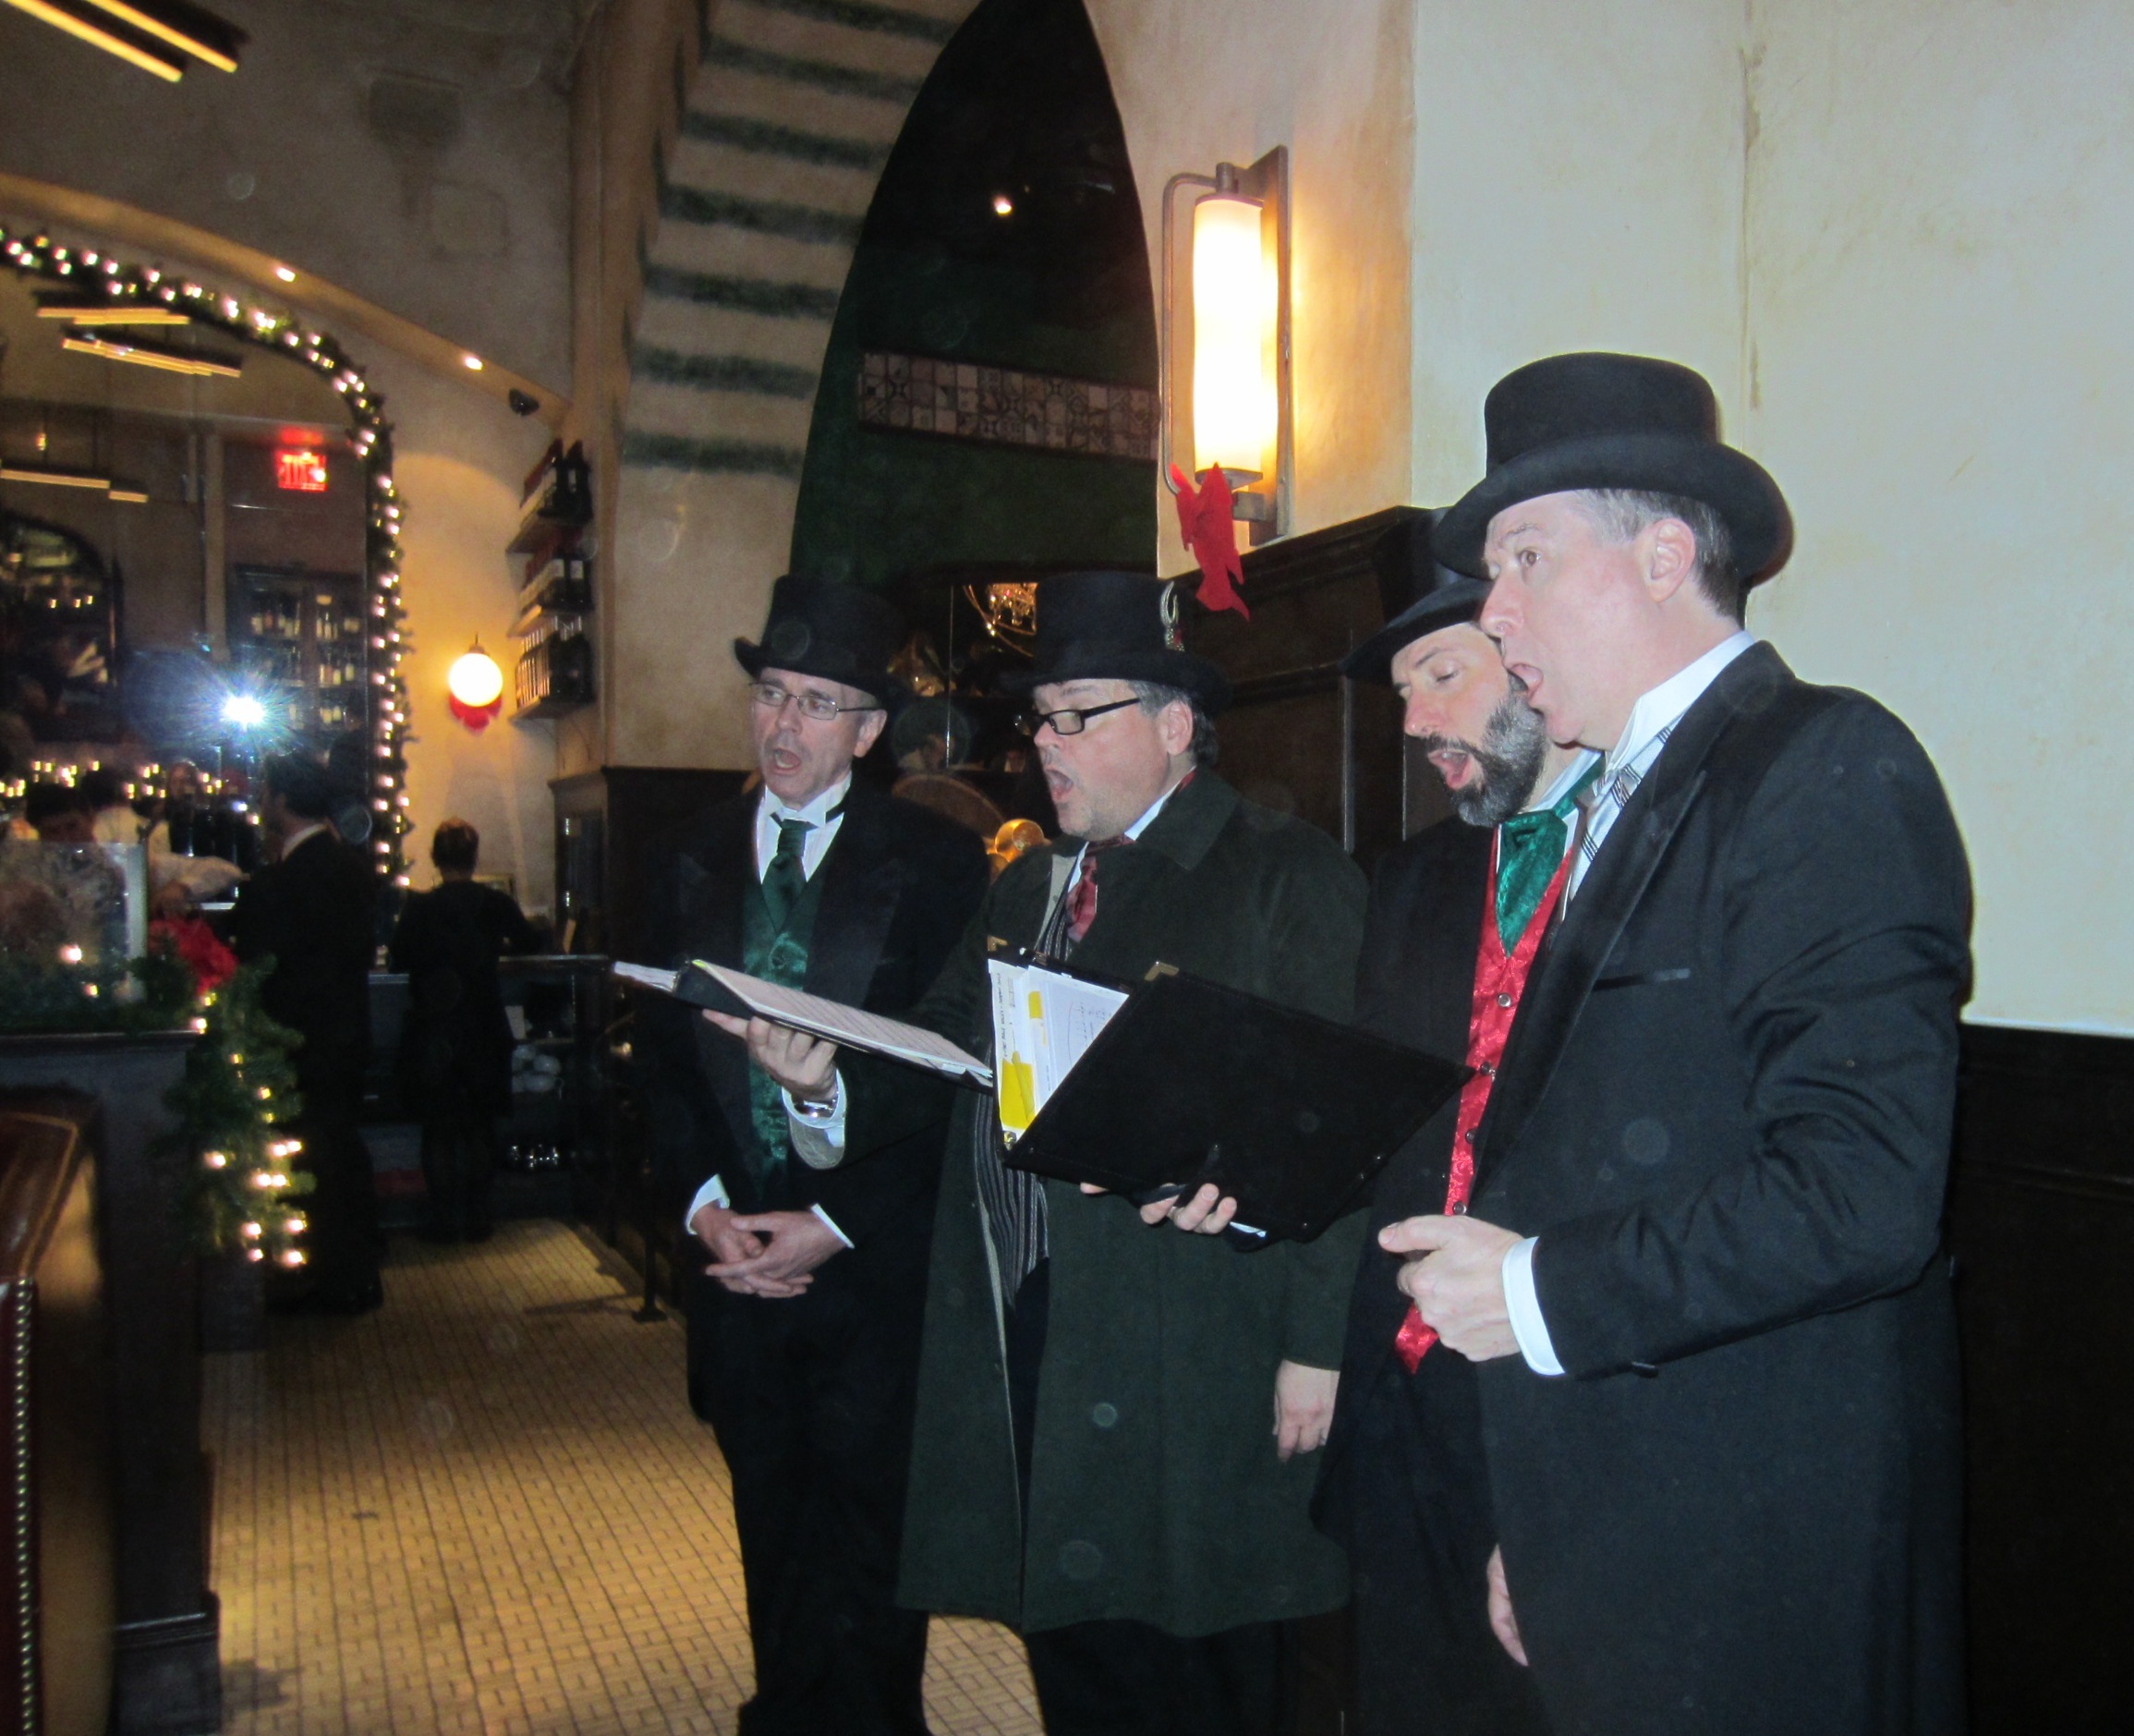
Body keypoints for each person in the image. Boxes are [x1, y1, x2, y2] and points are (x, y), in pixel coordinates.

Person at [1382, 353, 1970, 1733]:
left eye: (1525, 556)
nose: (1495, 608)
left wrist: (1534, 1297)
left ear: (1660, 554)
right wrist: (1546, 1517)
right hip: (1612, 1502)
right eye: (1487, 569)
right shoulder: (1604, 801)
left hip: (1755, 1532)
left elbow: (1862, 1192)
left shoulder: (1821, 763)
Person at [744, 571, 1368, 1736]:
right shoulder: (1029, 882)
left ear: (1176, 725)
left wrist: (1318, 1349)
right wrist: (826, 1078)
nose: (1044, 745)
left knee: (1206, 1669)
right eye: (1040, 719)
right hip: (1030, 1324)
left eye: (1077, 714)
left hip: (1195, 1342)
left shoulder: (1281, 876)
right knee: (1078, 1651)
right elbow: (938, 1042)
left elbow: (1331, 1130)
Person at [635, 574, 988, 1736]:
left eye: (818, 703)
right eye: (773, 695)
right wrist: (702, 1213)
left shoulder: (939, 865)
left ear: (870, 729)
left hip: (870, 1268)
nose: (784, 725)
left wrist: (834, 1224)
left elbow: (952, 1072)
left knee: (875, 1547)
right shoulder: (683, 854)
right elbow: (658, 1066)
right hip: (733, 1265)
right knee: (769, 1529)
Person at [1308, 543, 1591, 1735]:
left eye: (1440, 674)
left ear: (1528, 659)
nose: (1417, 721)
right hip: (1401, 1376)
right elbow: (1364, 1112)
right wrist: (1242, 1180)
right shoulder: (1414, 877)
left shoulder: (1647, 856)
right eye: (1404, 694)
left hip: (1557, 1379)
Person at [231, 753, 382, 1313]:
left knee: (320, 1155)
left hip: (308, 1035)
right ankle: (353, 1269)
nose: (261, 800)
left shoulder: (296, 874)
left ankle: (336, 1277)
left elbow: (265, 959)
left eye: (266, 791)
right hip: (339, 1030)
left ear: (282, 800)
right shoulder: (343, 861)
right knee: (338, 1148)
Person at [389, 819, 540, 1242]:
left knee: (438, 1129)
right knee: (479, 1126)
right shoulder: (494, 904)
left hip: (434, 1030)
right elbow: (530, 942)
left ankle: (442, 1219)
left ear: (436, 859)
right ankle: (478, 1216)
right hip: (482, 1026)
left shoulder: (419, 907)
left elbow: (398, 959)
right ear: (475, 859)